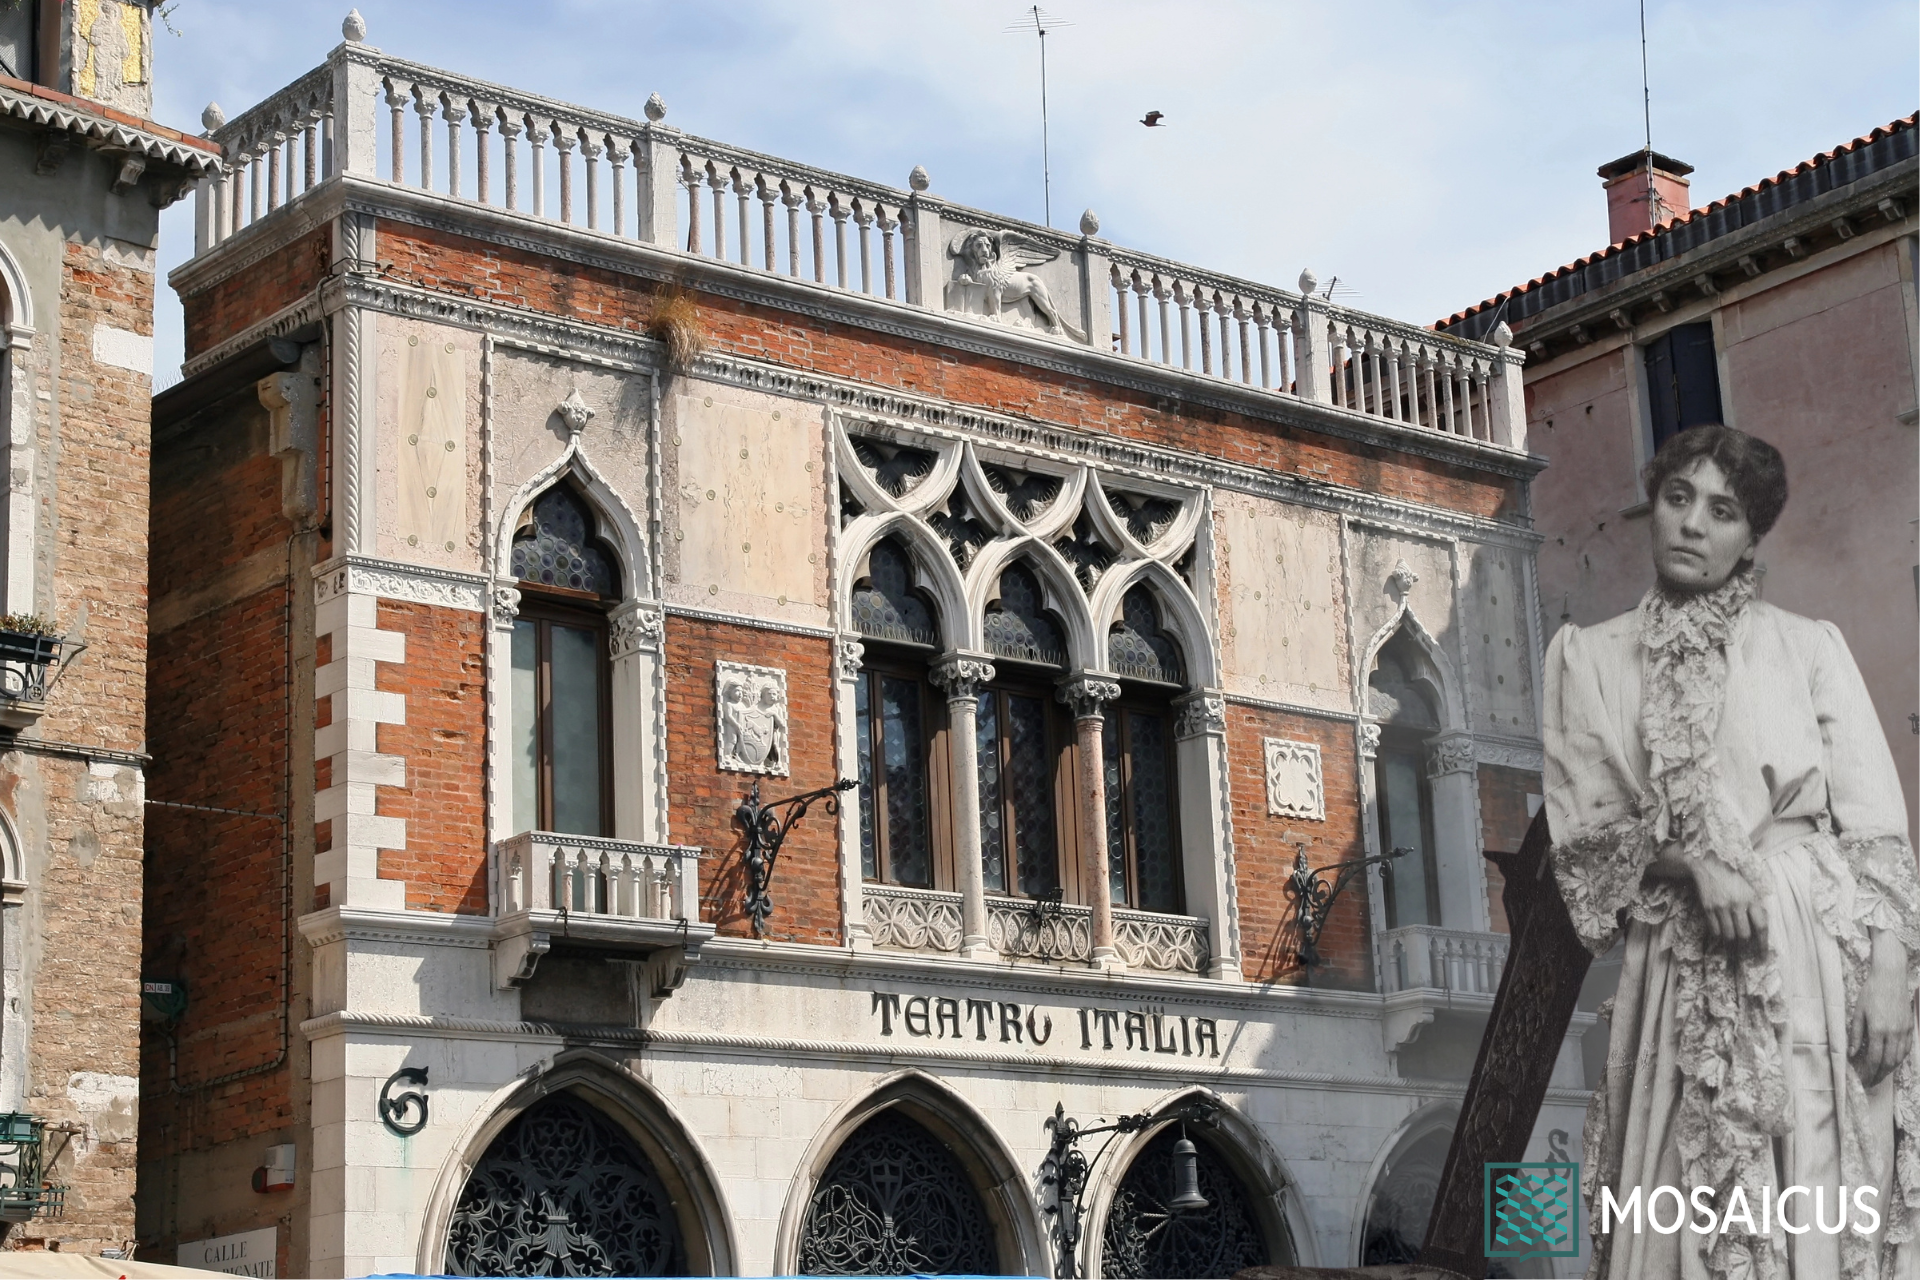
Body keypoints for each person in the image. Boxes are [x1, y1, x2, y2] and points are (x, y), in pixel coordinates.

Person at [1543, 423, 1920, 1279]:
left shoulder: (1808, 645)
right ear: (1654, 508)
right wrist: (1693, 866)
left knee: (1822, 1185)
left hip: (1816, 953)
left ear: (1752, 536)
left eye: (1722, 511)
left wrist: (1892, 976)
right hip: (1680, 963)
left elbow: (1877, 832)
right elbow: (1584, 842)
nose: (1692, 526)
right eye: (1679, 500)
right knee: (1685, 1202)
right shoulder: (1588, 660)